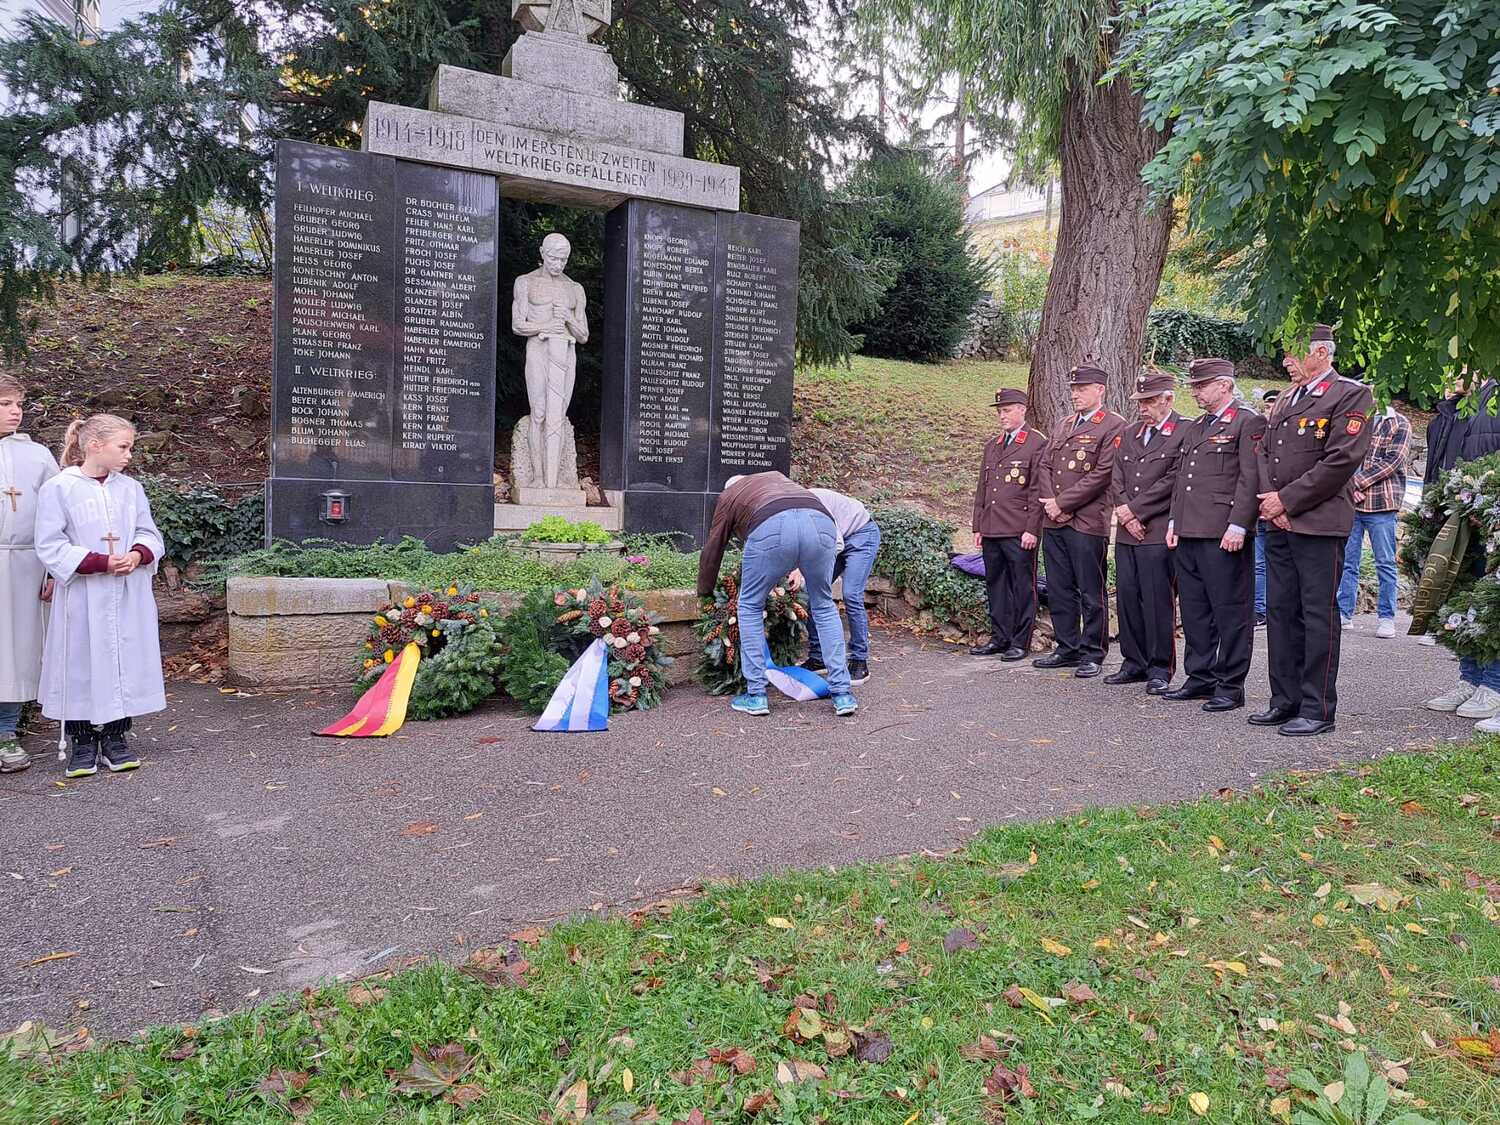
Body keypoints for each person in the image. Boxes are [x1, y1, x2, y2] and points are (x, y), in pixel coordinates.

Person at [1252, 325, 1373, 736]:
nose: (1286, 361)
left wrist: (1286, 501)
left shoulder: (1350, 395)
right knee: (1281, 611)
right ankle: (1284, 700)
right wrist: (1272, 501)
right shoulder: (1288, 397)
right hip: (1278, 521)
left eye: (1293, 353)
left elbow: (1340, 460)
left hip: (1319, 523)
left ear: (1321, 352)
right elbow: (1265, 452)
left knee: (1317, 613)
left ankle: (1317, 708)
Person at [35, 415, 165, 776]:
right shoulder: (60, 488)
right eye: (123, 447)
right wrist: (100, 561)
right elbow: (50, 543)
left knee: (123, 656)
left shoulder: (130, 489)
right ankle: (82, 740)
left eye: (130, 447)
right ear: (95, 445)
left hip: (126, 591)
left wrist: (137, 554)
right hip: (83, 593)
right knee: (80, 659)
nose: (129, 455)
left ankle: (115, 736)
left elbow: (149, 532)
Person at [697, 471, 857, 717]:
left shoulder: (729, 496)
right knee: (824, 605)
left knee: (749, 606)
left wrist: (705, 591)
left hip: (771, 526)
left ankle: (756, 695)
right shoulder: (776, 477)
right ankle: (843, 693)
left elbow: (713, 548)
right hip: (822, 524)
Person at [1163, 359, 1265, 712]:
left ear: (1224, 385)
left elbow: (1251, 477)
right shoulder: (1197, 426)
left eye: (1201, 385)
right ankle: (1200, 676)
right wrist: (1174, 521)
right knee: (1195, 610)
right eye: (1193, 386)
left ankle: (1231, 684)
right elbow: (1182, 479)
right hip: (1190, 529)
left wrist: (1240, 524)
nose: (1195, 392)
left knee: (1230, 611)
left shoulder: (1247, 421)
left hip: (1223, 531)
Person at [1034, 366, 1127, 678]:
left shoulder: (1113, 425)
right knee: (1059, 587)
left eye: (1082, 389)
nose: (1075, 394)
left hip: (1087, 521)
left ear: (1100, 390)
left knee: (1091, 590)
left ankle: (1093, 652)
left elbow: (1103, 474)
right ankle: (1067, 647)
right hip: (1054, 520)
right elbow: (1045, 465)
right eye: (1073, 389)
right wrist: (1051, 503)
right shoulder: (1064, 424)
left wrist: (1063, 504)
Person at [1424, 372, 1500, 724]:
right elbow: (1436, 470)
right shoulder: (1447, 412)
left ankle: (1494, 684)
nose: (1449, 372)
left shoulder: (1494, 402)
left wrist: (1489, 508)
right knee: (1463, 600)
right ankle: (1469, 679)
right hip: (1454, 525)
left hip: (1487, 523)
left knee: (1491, 603)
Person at [1105, 370, 1185, 693]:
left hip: (1156, 528)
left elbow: (1174, 480)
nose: (1143, 408)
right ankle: (1133, 661)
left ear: (1168, 399)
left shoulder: (1184, 431)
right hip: (1128, 531)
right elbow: (1117, 475)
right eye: (1140, 402)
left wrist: (1135, 510)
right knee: (1127, 596)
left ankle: (1159, 667)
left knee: (1156, 600)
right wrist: (1125, 512)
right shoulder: (1130, 433)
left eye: (1150, 401)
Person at [0, 376, 60, 773]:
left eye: (18, 404)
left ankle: (6, 732)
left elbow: (58, 515)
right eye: (5, 403)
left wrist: (54, 570)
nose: (16, 411)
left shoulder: (37, 455)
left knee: (16, 650)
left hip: (26, 564)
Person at [970, 388, 1047, 661]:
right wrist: (978, 525)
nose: (1002, 415)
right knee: (996, 584)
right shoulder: (992, 445)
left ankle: (1020, 641)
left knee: (1022, 586)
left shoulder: (1036, 443)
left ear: (1022, 410)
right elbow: (983, 488)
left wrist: (1032, 529)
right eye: (999, 411)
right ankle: (999, 637)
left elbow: (1038, 490)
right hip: (992, 527)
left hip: (1018, 529)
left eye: (1007, 410)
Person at [512, 232, 588, 491]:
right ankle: (537, 477)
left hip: (566, 351)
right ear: (543, 253)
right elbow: (518, 325)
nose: (558, 264)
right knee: (539, 412)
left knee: (560, 414)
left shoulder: (575, 289)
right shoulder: (526, 282)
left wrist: (568, 317)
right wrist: (546, 325)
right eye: (554, 258)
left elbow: (583, 335)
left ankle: (557, 479)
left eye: (563, 259)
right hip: (539, 349)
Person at [792, 487, 881, 685]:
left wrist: (802, 569)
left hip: (861, 535)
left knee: (851, 594)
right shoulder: (789, 513)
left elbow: (835, 544)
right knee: (810, 592)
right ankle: (818, 657)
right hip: (837, 537)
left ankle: (859, 660)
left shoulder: (812, 505)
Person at [1337, 406, 1411, 636]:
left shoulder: (1400, 423)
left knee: (1385, 563)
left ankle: (1387, 617)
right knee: (1347, 561)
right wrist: (1348, 485)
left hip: (1382, 504)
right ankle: (1344, 612)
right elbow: (1343, 455)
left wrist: (1357, 483)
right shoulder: (1356, 420)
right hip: (1352, 503)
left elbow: (1393, 461)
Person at [1253, 389, 1280, 628]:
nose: (1269, 409)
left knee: (1277, 564)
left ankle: (1273, 610)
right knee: (1258, 563)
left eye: (1274, 405)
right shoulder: (1258, 430)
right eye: (1267, 405)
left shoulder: (1285, 433)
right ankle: (1260, 609)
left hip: (1281, 507)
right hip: (1259, 509)